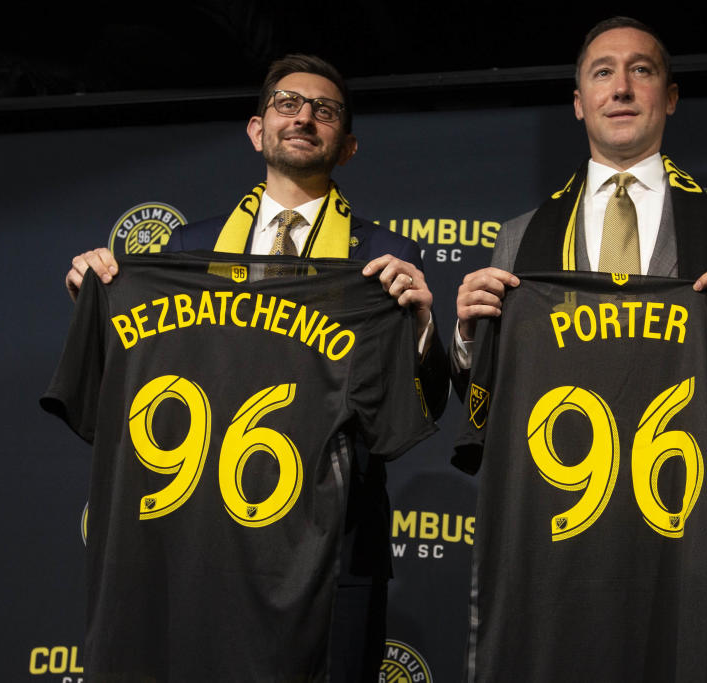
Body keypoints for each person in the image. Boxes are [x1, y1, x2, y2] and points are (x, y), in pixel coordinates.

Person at [64, 54, 449, 682]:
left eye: (325, 111)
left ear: (347, 145)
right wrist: (98, 310)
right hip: (199, 541)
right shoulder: (187, 249)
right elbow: (135, 389)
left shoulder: (385, 257)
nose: (304, 117)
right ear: (256, 128)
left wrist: (425, 328)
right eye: (288, 103)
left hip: (338, 546)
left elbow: (417, 412)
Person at [452, 16, 707, 403]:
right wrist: (470, 336)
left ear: (670, 97)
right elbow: (479, 394)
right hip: (560, 450)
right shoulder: (518, 237)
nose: (621, 89)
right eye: (603, 72)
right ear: (579, 103)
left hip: (687, 456)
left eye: (641, 70)